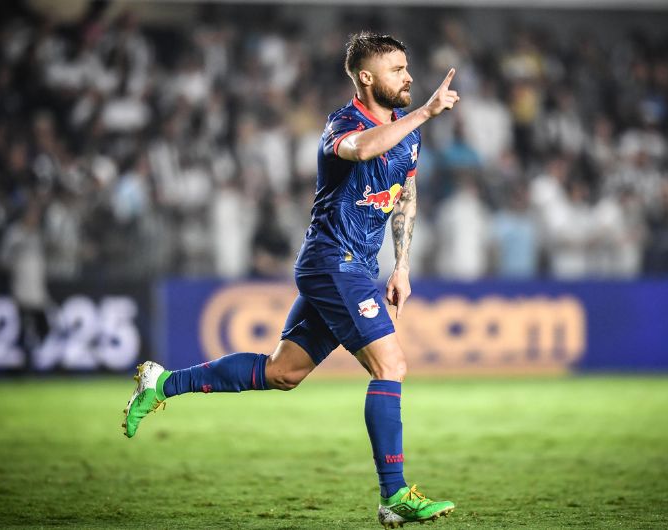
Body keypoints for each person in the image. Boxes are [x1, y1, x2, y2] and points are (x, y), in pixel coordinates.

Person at [122, 32, 458, 527]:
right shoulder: (344, 124)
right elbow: (362, 150)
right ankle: (394, 495)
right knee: (391, 365)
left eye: (408, 67)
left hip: (358, 267)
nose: (409, 77)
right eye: (397, 70)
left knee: (283, 373)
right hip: (332, 261)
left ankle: (163, 383)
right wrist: (425, 113)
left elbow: (405, 194)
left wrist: (402, 265)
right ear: (367, 78)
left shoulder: (408, 133)